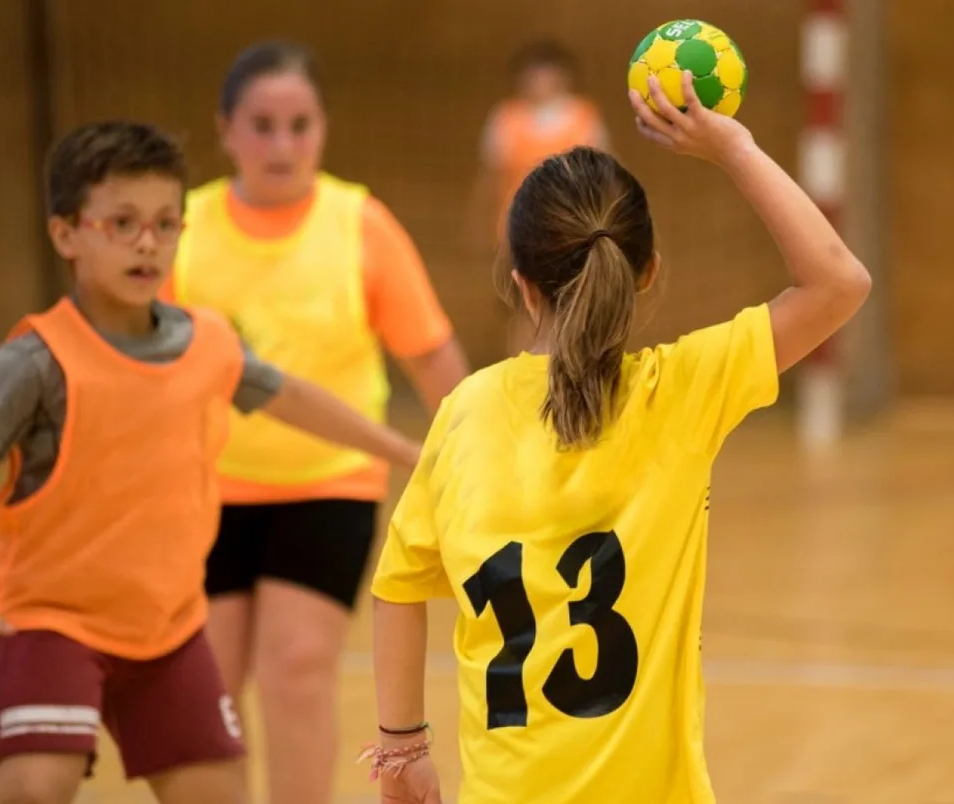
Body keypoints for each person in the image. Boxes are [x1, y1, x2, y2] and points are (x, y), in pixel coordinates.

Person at [364, 72, 872, 803]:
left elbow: (398, 588)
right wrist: (732, 145)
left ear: (522, 283)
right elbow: (838, 282)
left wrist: (402, 746)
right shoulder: (680, 393)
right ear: (647, 274)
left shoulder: (466, 412)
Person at [0, 120, 421, 804]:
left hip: (166, 629)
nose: (147, 242)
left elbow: (293, 397)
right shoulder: (37, 359)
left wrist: (403, 452)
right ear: (66, 233)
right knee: (38, 786)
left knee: (220, 794)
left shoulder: (206, 343)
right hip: (49, 619)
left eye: (165, 223)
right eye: (121, 223)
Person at [161, 41, 470, 804]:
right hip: (205, 493)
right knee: (210, 686)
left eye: (299, 125)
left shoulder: (359, 224)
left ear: (322, 129)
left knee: (298, 670)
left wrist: (474, 460)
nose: (282, 144)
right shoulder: (183, 227)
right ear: (226, 130)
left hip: (330, 486)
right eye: (262, 125)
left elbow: (434, 359)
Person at [468, 39, 611, 354]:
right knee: (522, 308)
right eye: (531, 74)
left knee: (570, 304)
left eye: (545, 73)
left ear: (563, 77)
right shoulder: (506, 118)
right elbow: (489, 179)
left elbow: (604, 177)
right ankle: (522, 373)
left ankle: (569, 375)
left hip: (571, 229)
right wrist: (481, 223)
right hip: (518, 229)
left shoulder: (584, 117)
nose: (538, 81)